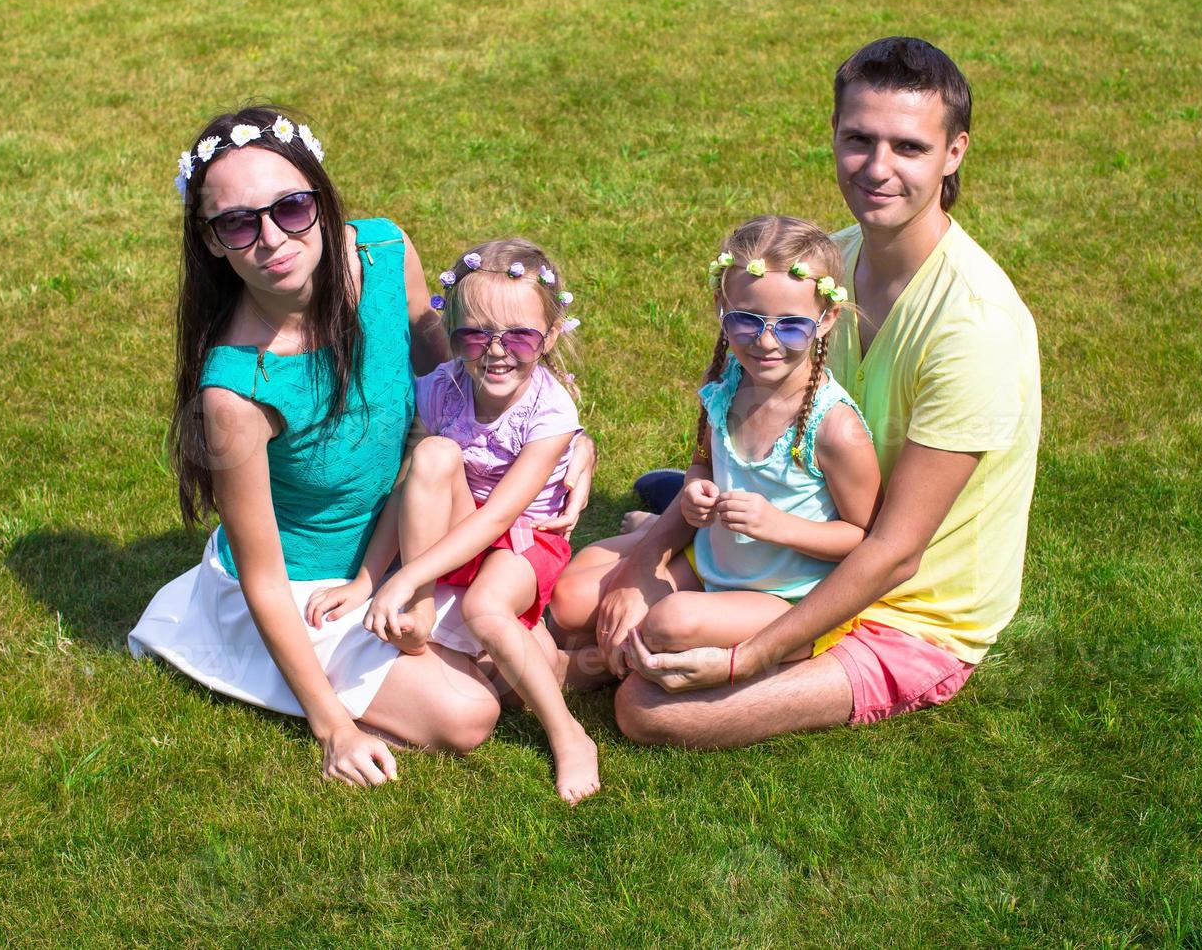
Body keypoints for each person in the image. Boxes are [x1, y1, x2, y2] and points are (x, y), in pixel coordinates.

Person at [551, 36, 1041, 744]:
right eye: (857, 140)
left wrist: (750, 657)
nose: (877, 168)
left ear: (954, 153)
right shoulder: (823, 268)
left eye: (908, 147)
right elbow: (743, 391)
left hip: (913, 605)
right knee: (579, 601)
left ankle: (636, 647)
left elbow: (894, 550)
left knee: (648, 710)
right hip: (794, 540)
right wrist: (657, 548)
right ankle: (655, 591)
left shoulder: (975, 329)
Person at [129, 106, 592, 787]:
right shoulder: (236, 391)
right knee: (471, 714)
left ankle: (429, 630)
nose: (270, 239)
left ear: (321, 197)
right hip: (307, 589)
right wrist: (334, 728)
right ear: (210, 242)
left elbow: (461, 382)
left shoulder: (382, 254)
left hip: (411, 530)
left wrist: (566, 441)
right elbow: (264, 577)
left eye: (290, 208)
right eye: (236, 223)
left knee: (547, 652)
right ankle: (288, 662)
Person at [310, 239, 599, 803]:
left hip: (524, 542)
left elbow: (498, 519)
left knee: (486, 610)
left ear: (551, 335)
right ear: (453, 332)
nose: (496, 352)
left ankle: (569, 735)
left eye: (519, 336)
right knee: (435, 454)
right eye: (475, 335)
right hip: (461, 530)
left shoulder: (551, 412)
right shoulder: (442, 388)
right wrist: (367, 580)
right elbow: (408, 486)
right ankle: (421, 616)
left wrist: (405, 575)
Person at [554, 216, 880, 684]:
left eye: (790, 327)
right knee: (570, 594)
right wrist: (691, 489)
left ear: (826, 319)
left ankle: (591, 665)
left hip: (783, 597)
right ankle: (618, 650)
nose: (766, 342)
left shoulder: (834, 429)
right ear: (721, 308)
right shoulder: (726, 388)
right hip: (710, 559)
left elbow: (865, 540)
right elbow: (703, 463)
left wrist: (777, 525)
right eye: (745, 321)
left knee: (671, 622)